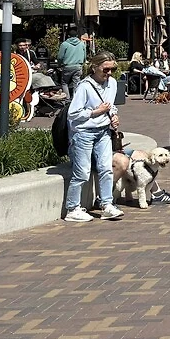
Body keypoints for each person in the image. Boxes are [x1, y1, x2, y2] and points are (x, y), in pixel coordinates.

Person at [63, 51, 125, 222]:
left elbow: (110, 105)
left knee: (106, 169)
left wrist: (113, 115)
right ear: (94, 67)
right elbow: (73, 113)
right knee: (82, 172)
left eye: (112, 69)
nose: (109, 73)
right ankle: (72, 208)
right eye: (106, 69)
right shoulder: (84, 86)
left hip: (103, 131)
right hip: (83, 132)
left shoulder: (112, 83)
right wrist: (96, 112)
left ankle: (107, 204)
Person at [56, 28, 90, 98]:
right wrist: (83, 63)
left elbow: (60, 57)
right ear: (77, 36)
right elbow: (84, 56)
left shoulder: (64, 44)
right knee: (76, 83)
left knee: (64, 83)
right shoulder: (81, 44)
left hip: (67, 66)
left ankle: (67, 99)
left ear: (68, 36)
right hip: (78, 66)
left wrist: (59, 64)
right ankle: (75, 99)